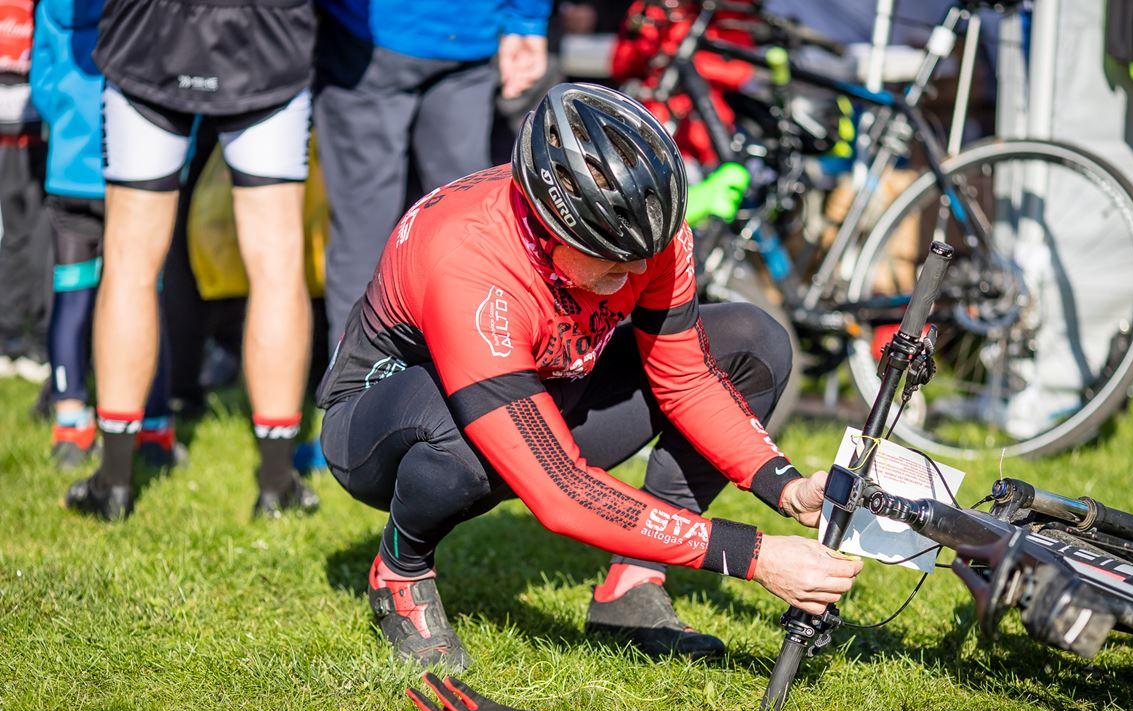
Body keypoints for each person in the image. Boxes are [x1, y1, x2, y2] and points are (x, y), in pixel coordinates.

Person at [318, 83, 862, 670]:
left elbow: (686, 381)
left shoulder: (649, 231)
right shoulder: (471, 260)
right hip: (383, 425)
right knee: (461, 431)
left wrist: (785, 487)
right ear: (548, 226)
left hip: (548, 382)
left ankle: (632, 585)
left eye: (643, 255)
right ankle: (400, 571)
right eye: (612, 259)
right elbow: (560, 492)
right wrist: (753, 555)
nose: (635, 271)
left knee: (754, 344)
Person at [63, 0, 319, 520]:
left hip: (150, 37)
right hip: (265, 41)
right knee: (276, 265)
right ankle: (276, 484)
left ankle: (114, 482)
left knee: (129, 261)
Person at [313, 0, 551, 356]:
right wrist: (527, 19)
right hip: (464, 33)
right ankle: (473, 369)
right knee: (464, 232)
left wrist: (527, 20)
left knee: (365, 233)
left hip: (374, 39)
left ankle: (352, 380)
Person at [30, 0, 177, 470]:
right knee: (145, 295)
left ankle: (70, 422)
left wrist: (68, 123)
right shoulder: (149, 8)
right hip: (140, 174)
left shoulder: (54, 6)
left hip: (72, 172)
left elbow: (41, 83)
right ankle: (153, 426)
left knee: (72, 295)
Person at [0, 0, 51, 385]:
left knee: (37, 236)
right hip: (11, 136)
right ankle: (10, 336)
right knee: (16, 235)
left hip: (39, 134)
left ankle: (34, 340)